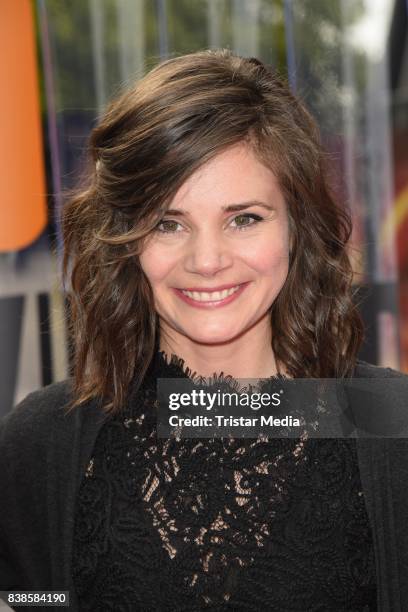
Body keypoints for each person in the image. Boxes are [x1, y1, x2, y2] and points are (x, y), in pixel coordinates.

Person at [1, 49, 408, 612]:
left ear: (297, 227)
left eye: (244, 218)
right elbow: (26, 600)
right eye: (168, 224)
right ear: (126, 241)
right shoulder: (42, 445)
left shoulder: (392, 424)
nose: (208, 259)